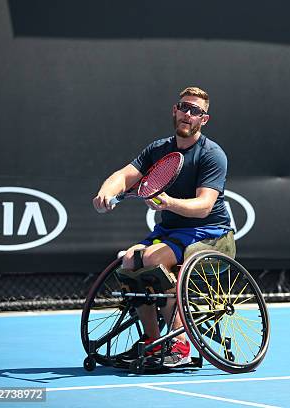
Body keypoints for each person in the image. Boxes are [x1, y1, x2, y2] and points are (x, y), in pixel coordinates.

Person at [92, 86, 234, 368]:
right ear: (175, 110)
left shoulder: (212, 155)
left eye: (196, 111)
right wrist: (105, 193)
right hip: (170, 234)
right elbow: (123, 175)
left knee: (154, 260)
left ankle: (180, 345)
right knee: (130, 260)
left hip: (213, 235)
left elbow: (204, 206)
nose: (188, 114)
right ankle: (152, 340)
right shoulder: (158, 149)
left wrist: (169, 203)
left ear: (203, 120)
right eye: (184, 107)